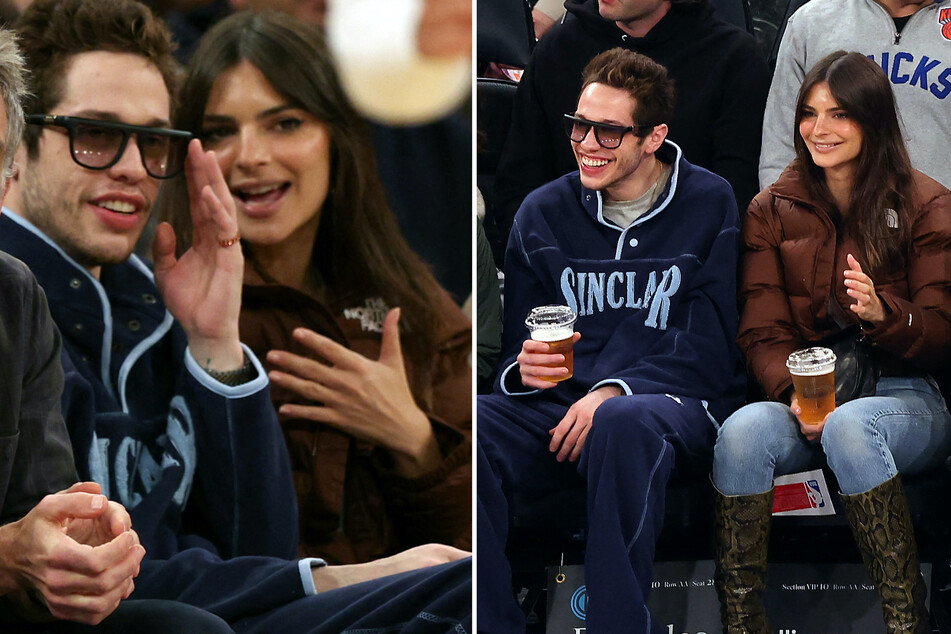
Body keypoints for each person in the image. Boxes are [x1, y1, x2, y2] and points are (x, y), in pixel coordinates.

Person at [3, 0, 470, 631]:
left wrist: (217, 343)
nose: (132, 167)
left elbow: (256, 547)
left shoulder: (166, 303)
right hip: (193, 617)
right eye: (95, 134)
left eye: (154, 141)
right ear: (16, 148)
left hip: (244, 610)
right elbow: (85, 583)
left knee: (472, 586)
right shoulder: (18, 303)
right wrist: (329, 576)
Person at [156, 9, 472, 565]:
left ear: (338, 138)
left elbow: (482, 549)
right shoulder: (158, 310)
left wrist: (416, 442)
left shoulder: (410, 299)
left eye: (286, 124)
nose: (251, 156)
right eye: (219, 132)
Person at [477, 47, 746, 632]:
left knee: (623, 424)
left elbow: (710, 346)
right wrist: (525, 371)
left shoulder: (709, 201)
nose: (586, 143)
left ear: (653, 137)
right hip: (557, 406)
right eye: (579, 125)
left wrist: (614, 390)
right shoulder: (541, 211)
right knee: (469, 425)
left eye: (608, 131)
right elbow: (518, 348)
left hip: (669, 402)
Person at [713, 51, 951, 633]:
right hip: (808, 394)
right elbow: (762, 329)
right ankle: (743, 623)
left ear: (873, 121)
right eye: (810, 113)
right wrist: (793, 394)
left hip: (908, 395)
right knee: (740, 433)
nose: (820, 130)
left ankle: (906, 621)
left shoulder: (928, 203)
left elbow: (943, 337)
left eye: (840, 115)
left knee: (852, 426)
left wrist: (884, 312)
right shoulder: (771, 209)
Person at [488, 0, 770, 262]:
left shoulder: (734, 60)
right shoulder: (557, 50)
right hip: (565, 275)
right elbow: (518, 185)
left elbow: (737, 202)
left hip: (685, 279)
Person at [759, 0, 951, 190]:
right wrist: (785, 215)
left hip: (939, 216)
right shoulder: (811, 23)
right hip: (827, 217)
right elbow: (780, 147)